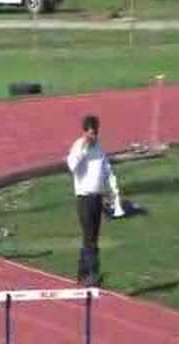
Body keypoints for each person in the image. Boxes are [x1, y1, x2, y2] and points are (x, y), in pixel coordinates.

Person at [67, 115, 124, 287]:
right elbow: (72, 167)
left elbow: (107, 170)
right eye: (91, 134)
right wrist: (83, 150)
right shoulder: (78, 146)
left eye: (96, 133)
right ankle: (93, 274)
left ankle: (81, 272)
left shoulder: (99, 148)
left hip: (97, 197)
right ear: (84, 132)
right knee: (90, 238)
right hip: (84, 198)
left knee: (91, 237)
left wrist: (115, 191)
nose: (94, 137)